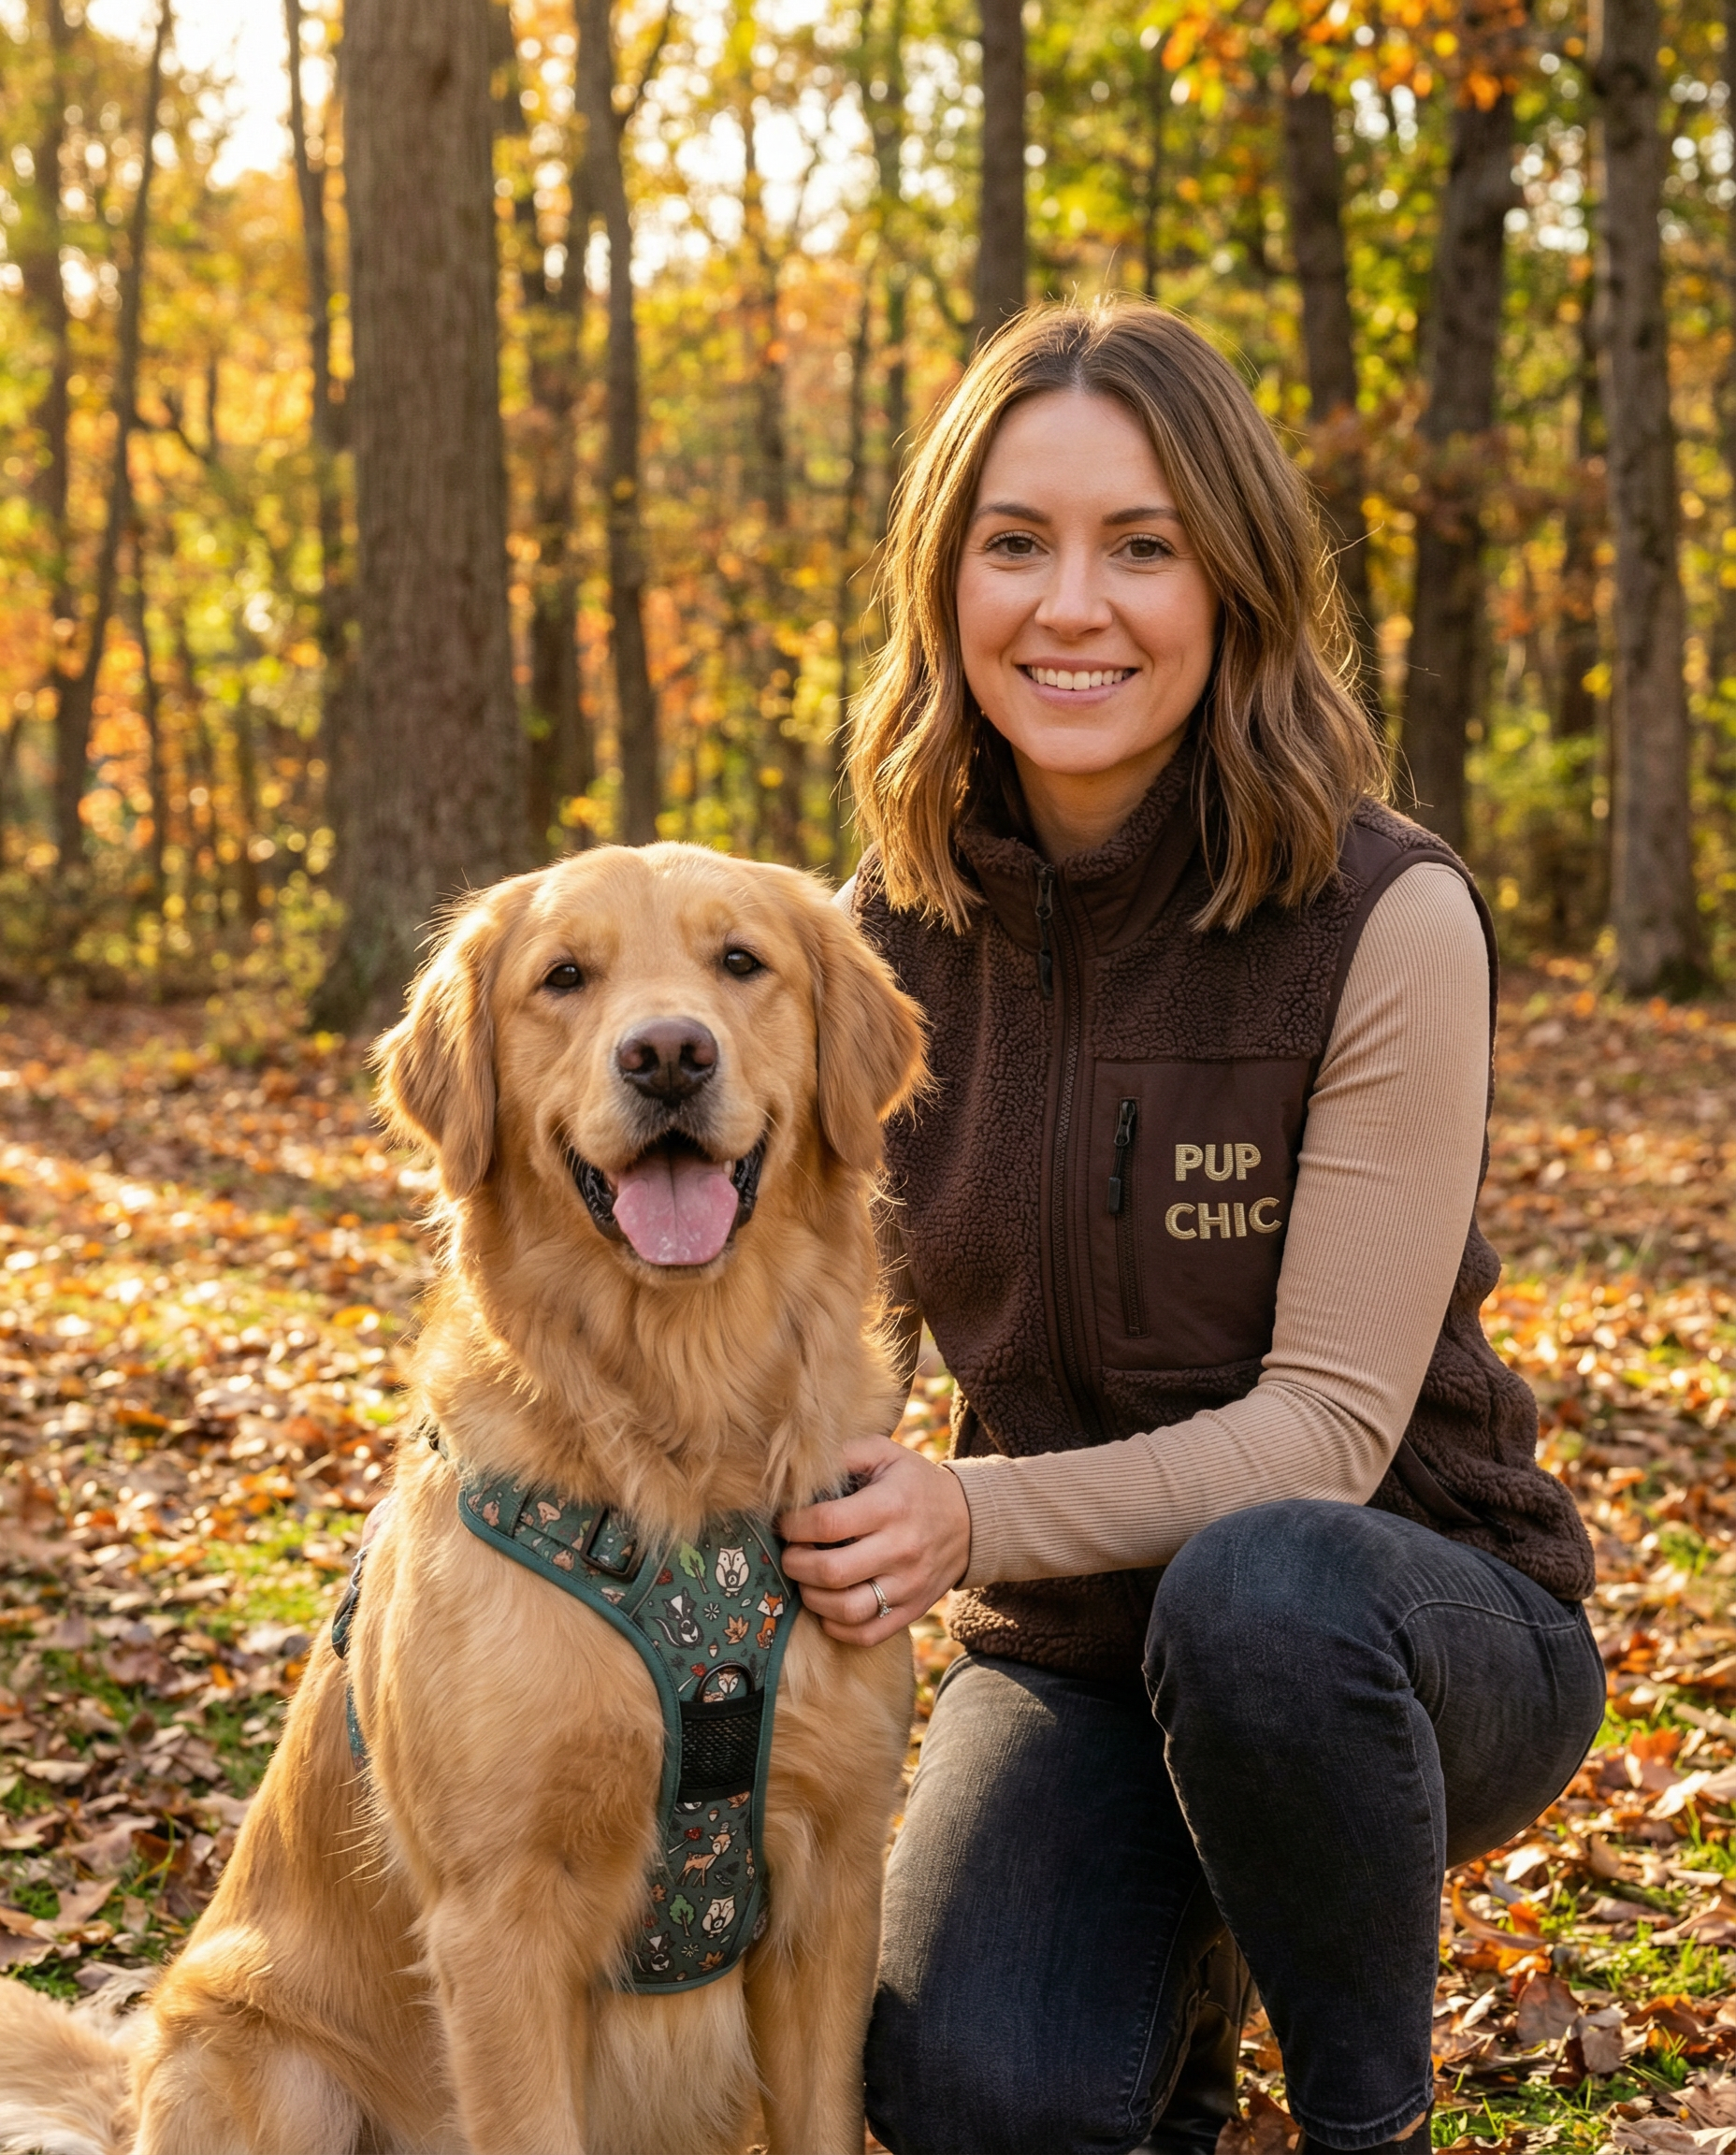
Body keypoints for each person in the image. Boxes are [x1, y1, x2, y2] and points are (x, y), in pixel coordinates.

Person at [775, 303, 1603, 2155]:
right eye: (1015, 543)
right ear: (945, 580)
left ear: (1229, 580)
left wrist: (963, 1512)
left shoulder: (1382, 914)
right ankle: (1170, 1996)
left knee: (1265, 1591)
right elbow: (815, 1351)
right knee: (961, 2091)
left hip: (1404, 1625)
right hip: (1068, 1654)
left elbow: (1322, 1436)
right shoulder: (878, 945)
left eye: (1139, 546)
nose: (1072, 605)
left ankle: (1358, 2125)